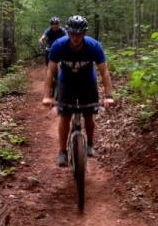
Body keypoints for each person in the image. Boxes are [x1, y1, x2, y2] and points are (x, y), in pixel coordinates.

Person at [42, 15, 114, 167]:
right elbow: (50, 72)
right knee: (65, 116)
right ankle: (62, 151)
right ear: (68, 32)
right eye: (72, 33)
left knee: (89, 115)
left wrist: (108, 96)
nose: (75, 37)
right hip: (66, 82)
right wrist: (47, 96)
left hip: (87, 82)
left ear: (84, 33)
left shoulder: (94, 46)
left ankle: (90, 144)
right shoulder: (58, 45)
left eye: (79, 34)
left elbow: (104, 72)